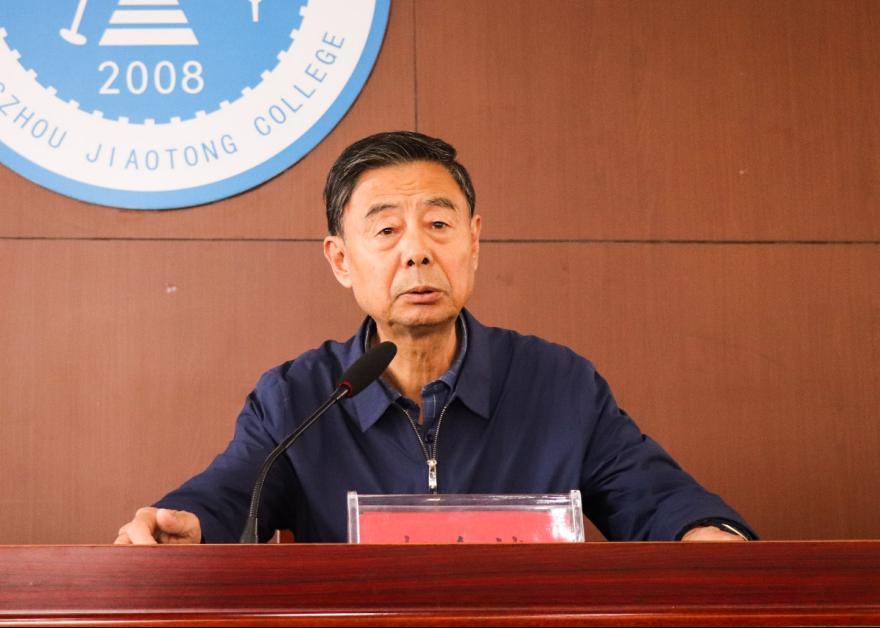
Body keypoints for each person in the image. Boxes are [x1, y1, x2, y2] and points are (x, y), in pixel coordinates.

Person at [115, 131, 756, 545]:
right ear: (341, 260)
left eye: (439, 225)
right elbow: (231, 493)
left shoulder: (558, 384)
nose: (417, 252)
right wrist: (185, 523)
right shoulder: (299, 397)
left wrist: (705, 533)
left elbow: (656, 497)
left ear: (474, 242)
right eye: (386, 231)